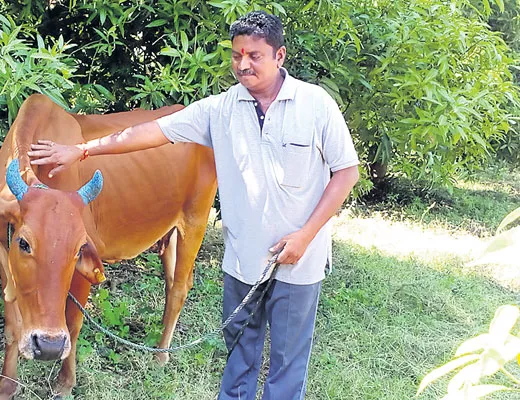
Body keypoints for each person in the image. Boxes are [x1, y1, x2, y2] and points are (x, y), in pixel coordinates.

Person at [27, 11, 359, 400]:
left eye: (254, 55)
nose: (243, 64)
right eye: (237, 55)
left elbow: (346, 174)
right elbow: (149, 133)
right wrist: (82, 149)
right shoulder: (220, 110)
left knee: (287, 364)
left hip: (299, 261)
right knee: (239, 356)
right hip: (244, 261)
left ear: (280, 55)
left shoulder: (315, 104)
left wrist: (305, 235)